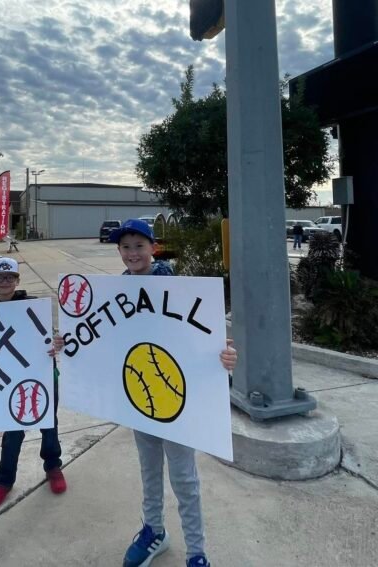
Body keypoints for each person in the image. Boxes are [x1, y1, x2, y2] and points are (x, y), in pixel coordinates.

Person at [105, 219, 238, 567]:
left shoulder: (175, 286)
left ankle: (197, 553)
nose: (132, 253)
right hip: (140, 396)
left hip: (176, 400)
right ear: (119, 251)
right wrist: (69, 345)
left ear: (153, 248)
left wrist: (221, 355)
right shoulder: (118, 290)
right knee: (149, 470)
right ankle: (154, 531)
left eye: (139, 245)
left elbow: (199, 335)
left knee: (184, 479)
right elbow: (106, 339)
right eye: (125, 247)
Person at [0, 257, 66, 508]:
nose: (5, 281)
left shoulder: (34, 307)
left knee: (49, 425)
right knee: (12, 432)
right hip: (9, 381)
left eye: (10, 277)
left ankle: (53, 466)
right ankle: (4, 480)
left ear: (18, 280)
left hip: (41, 376)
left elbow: (53, 336)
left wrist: (56, 343)